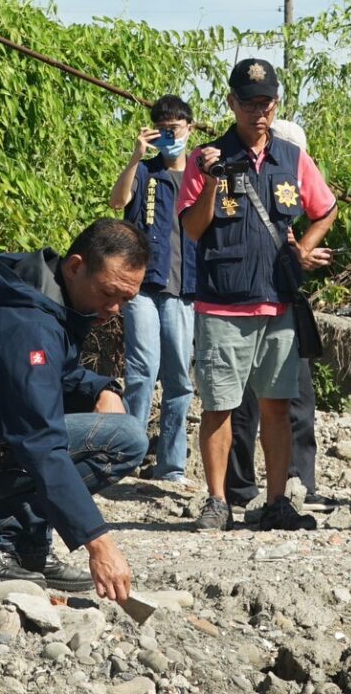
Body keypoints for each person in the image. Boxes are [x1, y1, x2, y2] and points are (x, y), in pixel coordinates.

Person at [0, 218, 147, 597]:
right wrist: (98, 542)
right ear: (75, 267)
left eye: (127, 299)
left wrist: (102, 389)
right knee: (126, 439)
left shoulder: (33, 291)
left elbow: (57, 374)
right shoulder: (28, 324)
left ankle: (28, 546)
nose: (115, 309)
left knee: (91, 426)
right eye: (109, 293)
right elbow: (38, 439)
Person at [178, 58, 338, 533]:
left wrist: (302, 250)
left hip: (279, 304)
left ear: (276, 103)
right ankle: (216, 500)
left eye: (266, 102)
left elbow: (325, 209)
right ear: (232, 103)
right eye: (249, 103)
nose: (258, 112)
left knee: (276, 405)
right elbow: (191, 229)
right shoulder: (206, 156)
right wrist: (209, 180)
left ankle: (276, 503)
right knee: (219, 406)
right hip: (223, 302)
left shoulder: (292, 157)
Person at [225, 117, 323, 516]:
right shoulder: (232, 176)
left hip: (282, 301)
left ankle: (295, 483)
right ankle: (241, 487)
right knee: (242, 402)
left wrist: (302, 252)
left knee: (292, 397)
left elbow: (310, 223)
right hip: (239, 302)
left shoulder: (291, 184)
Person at [107, 94, 197, 483]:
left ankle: (171, 464)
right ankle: (129, 457)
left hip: (184, 289)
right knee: (142, 370)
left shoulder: (201, 174)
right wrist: (133, 157)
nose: (170, 134)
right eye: (163, 128)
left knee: (180, 378)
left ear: (190, 128)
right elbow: (117, 201)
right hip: (143, 286)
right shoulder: (145, 172)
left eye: (176, 127)